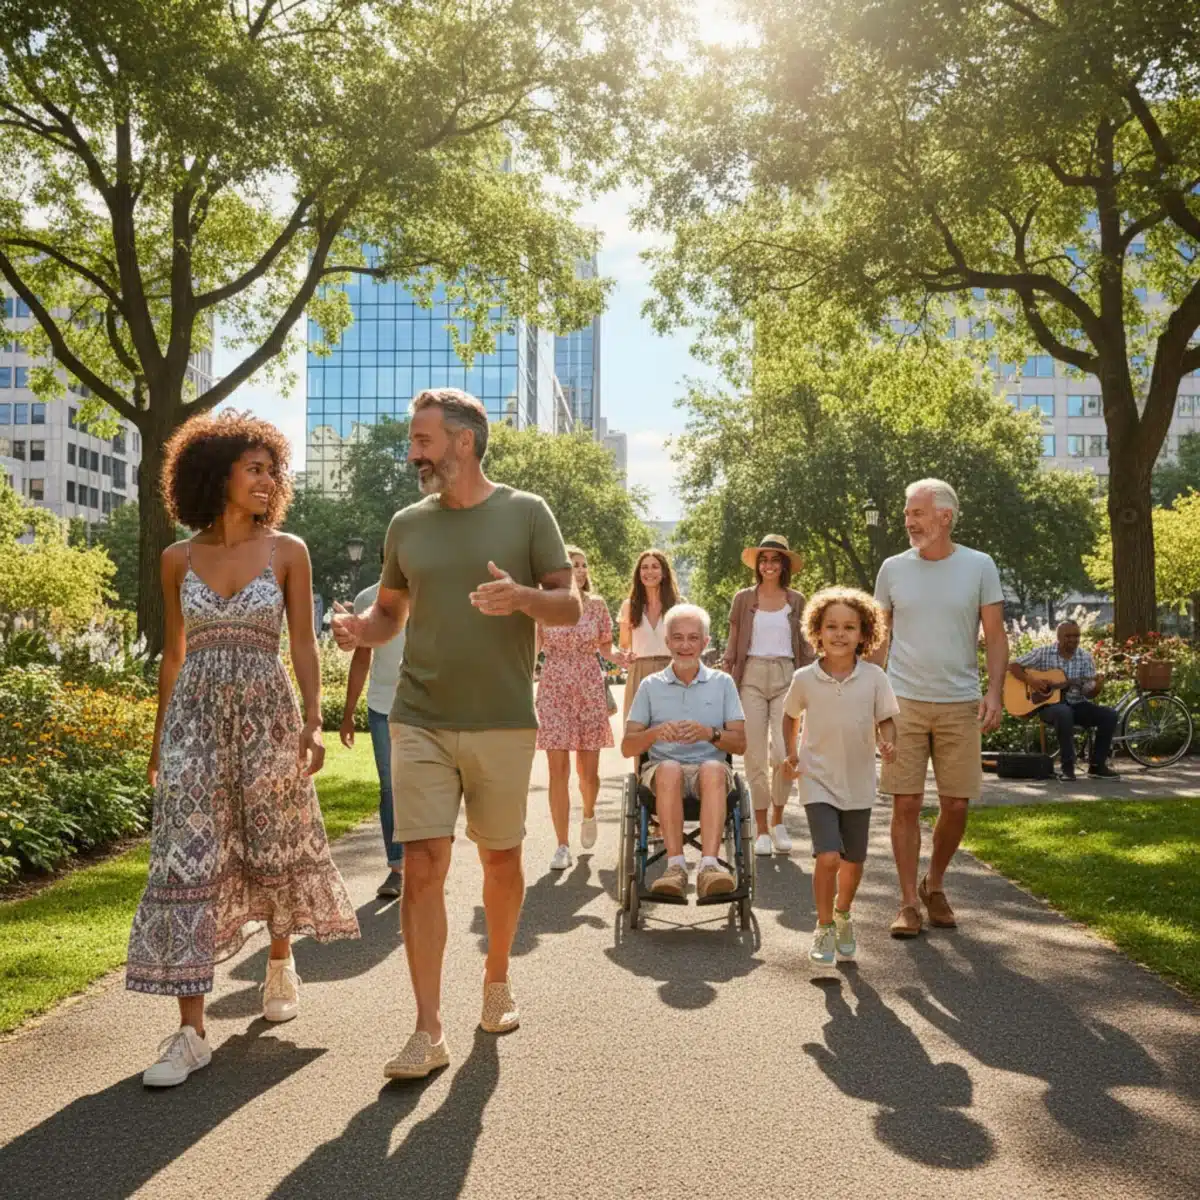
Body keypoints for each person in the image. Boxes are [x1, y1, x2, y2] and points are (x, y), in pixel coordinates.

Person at [331, 388, 579, 1081]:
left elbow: (569, 605)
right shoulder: (407, 524)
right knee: (422, 868)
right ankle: (427, 1028)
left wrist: (523, 598)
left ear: (463, 442)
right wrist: (361, 631)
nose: (412, 452)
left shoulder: (528, 513)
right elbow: (388, 614)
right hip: (420, 717)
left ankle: (496, 979)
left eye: (422, 440)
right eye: (414, 440)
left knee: (500, 860)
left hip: (502, 717)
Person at [127, 413, 359, 1089]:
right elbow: (173, 656)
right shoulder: (177, 558)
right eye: (254, 469)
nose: (267, 481)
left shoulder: (288, 551)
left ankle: (279, 962)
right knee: (184, 859)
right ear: (216, 474)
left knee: (273, 839)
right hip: (195, 719)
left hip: (267, 712)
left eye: (271, 470)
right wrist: (159, 741)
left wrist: (313, 721)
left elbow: (305, 644)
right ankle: (191, 1031)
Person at [872, 479, 1007, 939]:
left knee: (955, 804)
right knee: (905, 802)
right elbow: (880, 638)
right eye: (908, 514)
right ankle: (908, 902)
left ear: (945, 516)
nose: (909, 522)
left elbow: (996, 634)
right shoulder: (892, 569)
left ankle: (936, 882)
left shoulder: (979, 566)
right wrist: (871, 699)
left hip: (960, 702)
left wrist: (994, 694)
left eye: (918, 514)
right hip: (903, 700)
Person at [782, 588, 899, 966]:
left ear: (865, 634)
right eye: (831, 626)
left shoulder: (875, 677)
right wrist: (791, 752)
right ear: (817, 630)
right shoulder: (805, 678)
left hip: (860, 781)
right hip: (817, 778)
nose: (840, 634)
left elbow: (886, 720)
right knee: (828, 856)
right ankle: (824, 924)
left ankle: (844, 913)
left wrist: (888, 743)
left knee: (854, 860)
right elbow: (790, 715)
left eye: (849, 627)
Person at [620, 604, 747, 901]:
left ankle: (709, 866)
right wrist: (654, 733)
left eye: (693, 638)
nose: (685, 645)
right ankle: (675, 867)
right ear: (667, 642)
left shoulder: (723, 683)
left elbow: (740, 744)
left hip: (711, 771)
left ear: (705, 642)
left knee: (713, 769)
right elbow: (628, 746)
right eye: (678, 638)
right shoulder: (650, 686)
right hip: (661, 772)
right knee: (669, 769)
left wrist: (709, 733)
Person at [722, 534, 815, 858]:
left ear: (784, 565)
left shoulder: (797, 600)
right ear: (758, 565)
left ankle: (778, 820)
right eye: (764, 560)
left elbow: (806, 647)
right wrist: (728, 679)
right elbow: (733, 644)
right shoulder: (744, 599)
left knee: (784, 753)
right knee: (755, 755)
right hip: (752, 677)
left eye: (776, 560)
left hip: (787, 676)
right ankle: (760, 828)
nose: (769, 565)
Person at [535, 546, 616, 872]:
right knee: (558, 770)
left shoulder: (597, 607)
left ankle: (589, 811)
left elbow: (607, 647)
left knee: (588, 773)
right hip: (553, 687)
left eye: (583, 565)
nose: (579, 571)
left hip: (589, 687)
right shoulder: (542, 606)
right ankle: (561, 845)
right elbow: (532, 649)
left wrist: (622, 658)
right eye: (572, 566)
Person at [340, 547, 408, 897]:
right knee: (389, 788)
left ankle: (426, 862)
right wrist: (348, 713)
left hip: (425, 707)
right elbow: (361, 659)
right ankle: (397, 867)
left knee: (425, 786)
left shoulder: (427, 592)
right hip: (382, 706)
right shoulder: (368, 597)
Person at [1009, 620, 1119, 781]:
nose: (1074, 639)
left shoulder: (1085, 657)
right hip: (1048, 706)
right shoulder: (1044, 653)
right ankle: (1068, 768)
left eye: (1077, 636)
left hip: (1077, 705)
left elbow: (1088, 694)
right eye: (1069, 636)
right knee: (1063, 712)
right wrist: (1032, 681)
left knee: (1110, 715)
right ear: (1058, 637)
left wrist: (1097, 686)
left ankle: (1097, 766)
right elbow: (1013, 666)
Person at [617, 549, 682, 724]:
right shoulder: (629, 606)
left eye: (655, 567)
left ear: (664, 572)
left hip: (671, 671)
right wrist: (624, 655)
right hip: (639, 671)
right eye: (644, 568)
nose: (649, 572)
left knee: (671, 730)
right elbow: (623, 644)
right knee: (639, 731)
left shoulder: (679, 604)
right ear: (639, 574)